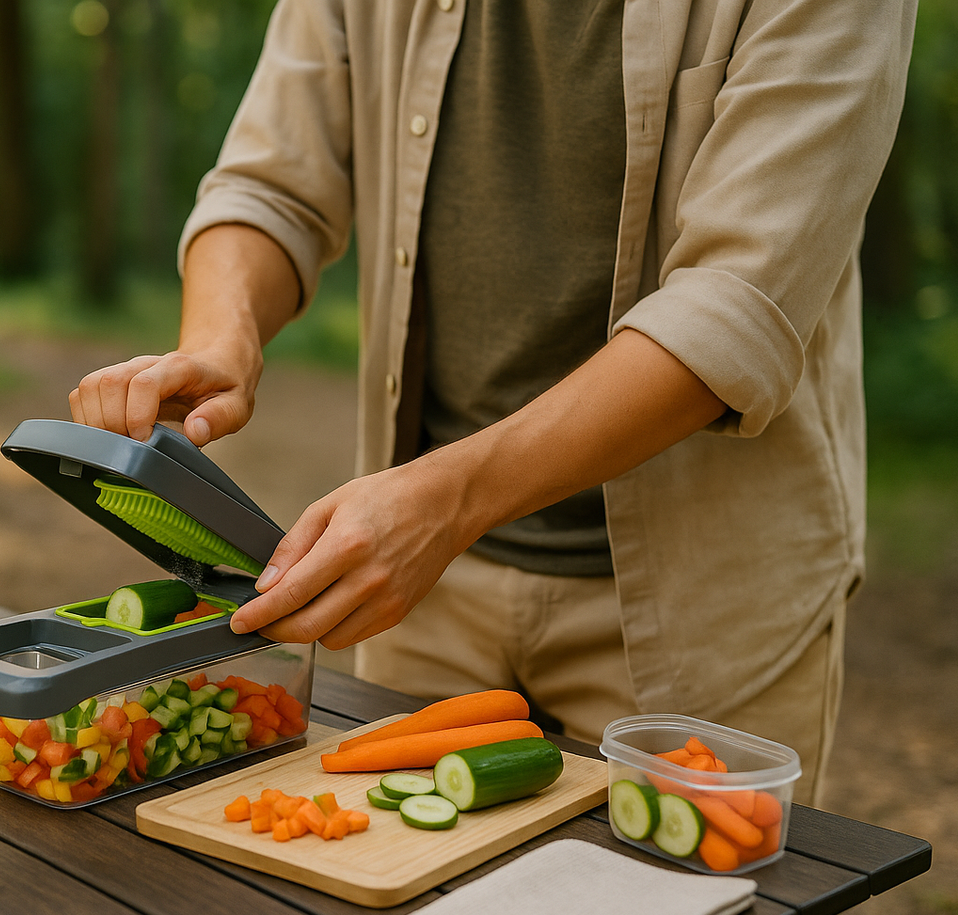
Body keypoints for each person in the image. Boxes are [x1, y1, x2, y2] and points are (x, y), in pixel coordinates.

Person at [70, 0, 914, 821]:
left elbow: (731, 309)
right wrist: (221, 336)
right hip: (421, 588)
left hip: (704, 609)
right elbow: (269, 184)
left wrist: (447, 500)